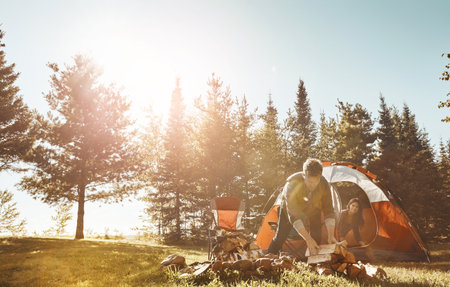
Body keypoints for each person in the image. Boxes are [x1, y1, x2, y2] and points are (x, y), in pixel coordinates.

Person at [267, 158, 337, 256]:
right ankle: (268, 257)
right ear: (304, 175)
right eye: (309, 182)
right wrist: (308, 239)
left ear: (320, 177)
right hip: (289, 210)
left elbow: (329, 210)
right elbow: (294, 215)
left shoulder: (324, 184)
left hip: (313, 206)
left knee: (317, 235)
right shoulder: (291, 184)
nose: (312, 186)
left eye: (315, 182)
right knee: (281, 236)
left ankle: (314, 260)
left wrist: (331, 235)